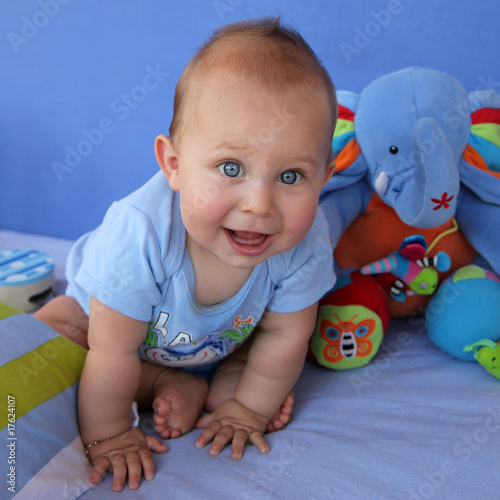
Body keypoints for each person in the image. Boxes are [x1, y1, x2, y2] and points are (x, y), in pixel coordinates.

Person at [34, 16, 338, 492]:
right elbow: (112, 351)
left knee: (257, 380)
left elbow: (285, 335)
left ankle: (184, 383)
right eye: (231, 167)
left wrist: (248, 409)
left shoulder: (305, 241)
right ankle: (163, 383)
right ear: (174, 165)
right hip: (109, 330)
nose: (259, 204)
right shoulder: (142, 232)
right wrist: (109, 434)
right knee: (62, 340)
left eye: (291, 176)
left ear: (325, 175)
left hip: (216, 346)